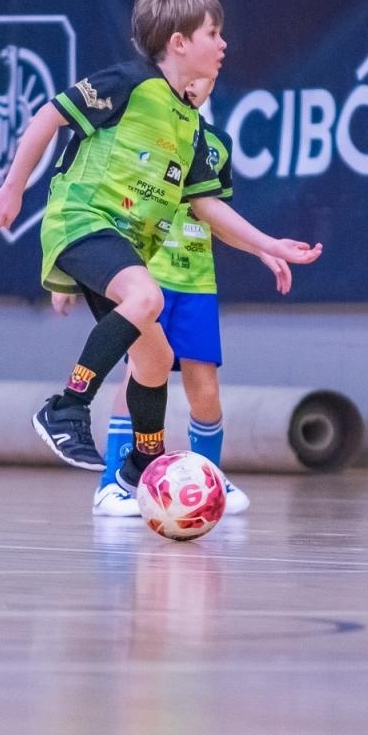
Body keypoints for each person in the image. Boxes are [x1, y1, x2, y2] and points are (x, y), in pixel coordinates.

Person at [0, 0, 320, 492]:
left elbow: (207, 207)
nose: (224, 43)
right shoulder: (131, 83)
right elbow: (49, 116)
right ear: (179, 42)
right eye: (214, 32)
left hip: (122, 245)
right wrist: (13, 188)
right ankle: (67, 407)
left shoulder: (189, 123)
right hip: (83, 219)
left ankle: (142, 464)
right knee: (146, 295)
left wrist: (267, 245)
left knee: (157, 359)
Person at [88, 75, 274, 518]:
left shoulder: (217, 145)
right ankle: (114, 480)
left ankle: (207, 476)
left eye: (207, 79)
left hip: (197, 283)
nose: (196, 84)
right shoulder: (140, 131)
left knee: (204, 388)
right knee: (138, 373)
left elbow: (217, 215)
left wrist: (264, 248)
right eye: (187, 76)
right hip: (147, 277)